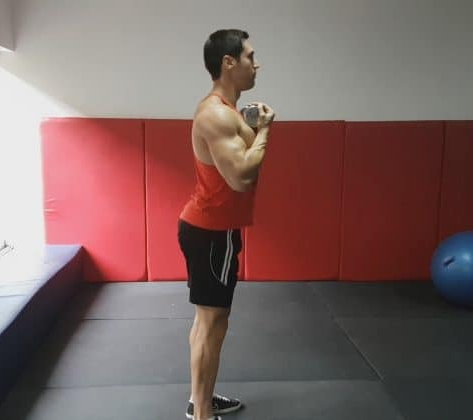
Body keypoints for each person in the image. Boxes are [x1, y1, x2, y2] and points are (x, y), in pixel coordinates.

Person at [177, 29, 275, 420]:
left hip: (218, 230)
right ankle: (201, 413)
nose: (257, 64)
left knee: (211, 319)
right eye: (250, 56)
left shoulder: (227, 110)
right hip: (210, 231)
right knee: (212, 321)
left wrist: (252, 128)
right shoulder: (216, 114)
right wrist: (265, 131)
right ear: (229, 62)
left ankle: (199, 398)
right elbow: (241, 177)